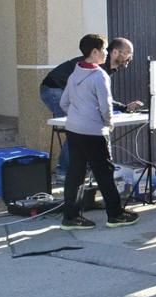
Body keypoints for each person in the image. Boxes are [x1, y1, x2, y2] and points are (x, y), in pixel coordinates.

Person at [58, 34, 139, 230]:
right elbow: (105, 107)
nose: (106, 53)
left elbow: (63, 103)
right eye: (103, 50)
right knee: (104, 172)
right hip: (94, 132)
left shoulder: (75, 72)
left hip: (74, 129)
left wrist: (78, 115)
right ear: (94, 52)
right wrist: (108, 123)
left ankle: (71, 217)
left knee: (75, 173)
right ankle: (115, 214)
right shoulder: (99, 75)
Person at [40, 37, 143, 179]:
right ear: (114, 52)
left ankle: (85, 170)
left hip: (63, 90)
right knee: (76, 127)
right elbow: (98, 100)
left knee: (82, 126)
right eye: (127, 53)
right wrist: (109, 119)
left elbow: (101, 98)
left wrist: (124, 108)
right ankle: (63, 171)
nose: (130, 58)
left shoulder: (104, 68)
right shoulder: (98, 66)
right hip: (54, 89)